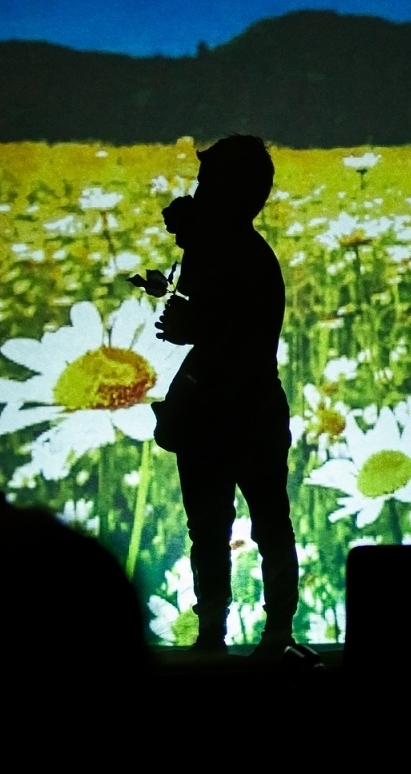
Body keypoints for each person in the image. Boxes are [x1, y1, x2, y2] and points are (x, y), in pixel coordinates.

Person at [148, 134, 297, 657]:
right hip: (241, 406)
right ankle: (267, 632)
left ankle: (229, 633)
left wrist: (191, 322)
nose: (197, 191)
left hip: (229, 408)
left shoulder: (237, 256)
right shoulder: (241, 253)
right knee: (259, 523)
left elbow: (230, 332)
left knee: (218, 529)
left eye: (207, 182)